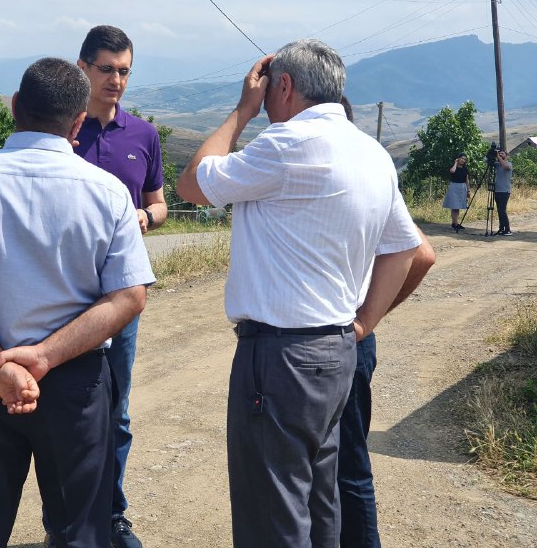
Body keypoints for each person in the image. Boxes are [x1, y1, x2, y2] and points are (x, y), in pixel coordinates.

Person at [176, 39, 422, 547]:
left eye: (268, 91)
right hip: (337, 350)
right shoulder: (372, 153)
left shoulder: (286, 144)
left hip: (281, 357)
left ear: (284, 85)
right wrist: (363, 324)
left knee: (273, 513)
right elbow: (407, 249)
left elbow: (192, 184)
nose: (265, 102)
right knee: (318, 502)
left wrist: (241, 111)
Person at [0, 57, 156, 548]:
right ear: (78, 122)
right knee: (80, 532)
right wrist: (44, 356)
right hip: (76, 383)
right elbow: (130, 296)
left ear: (15, 106)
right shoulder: (108, 193)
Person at [48, 24, 166, 548]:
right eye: (106, 70)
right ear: (82, 69)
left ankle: (112, 516)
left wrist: (145, 216)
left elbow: (160, 203)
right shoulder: (59, 134)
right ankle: (63, 524)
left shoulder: (143, 136)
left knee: (115, 411)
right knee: (61, 414)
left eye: (124, 72)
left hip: (119, 296)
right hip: (61, 293)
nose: (116, 80)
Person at [336, 97, 437, 548]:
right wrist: (369, 320)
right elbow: (422, 254)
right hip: (356, 339)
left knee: (342, 467)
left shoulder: (341, 173)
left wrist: (365, 320)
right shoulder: (370, 170)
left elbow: (423, 254)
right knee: (349, 464)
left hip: (341, 336)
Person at [442, 153, 470, 231]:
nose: (463, 160)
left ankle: (454, 223)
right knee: (454, 206)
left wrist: (468, 190)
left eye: (465, 159)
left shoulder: (465, 169)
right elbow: (452, 171)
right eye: (462, 158)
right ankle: (455, 224)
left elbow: (467, 180)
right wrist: (455, 163)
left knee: (457, 207)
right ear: (458, 158)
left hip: (462, 187)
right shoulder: (454, 167)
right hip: (454, 187)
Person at [493, 144, 513, 235]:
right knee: (499, 210)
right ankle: (501, 228)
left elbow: (506, 167)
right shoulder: (497, 164)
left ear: (506, 155)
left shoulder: (509, 164)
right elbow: (486, 161)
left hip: (505, 191)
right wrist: (491, 154)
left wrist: (498, 157)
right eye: (499, 153)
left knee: (502, 210)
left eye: (502, 153)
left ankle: (508, 229)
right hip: (497, 190)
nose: (500, 155)